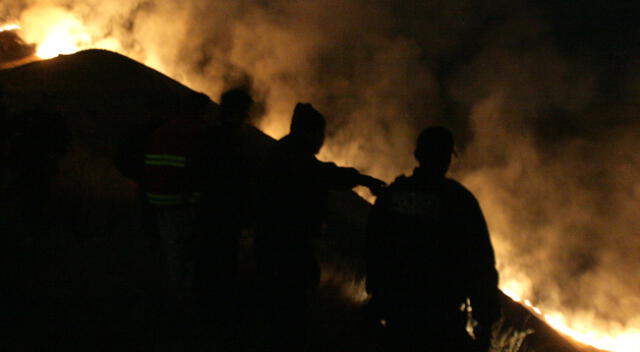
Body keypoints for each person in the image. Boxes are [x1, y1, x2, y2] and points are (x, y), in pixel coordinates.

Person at [256, 102, 386, 351]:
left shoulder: (284, 152)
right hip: (287, 247)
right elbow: (326, 174)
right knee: (289, 313)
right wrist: (363, 179)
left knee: (279, 310)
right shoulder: (293, 158)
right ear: (307, 132)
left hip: (277, 244)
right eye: (319, 134)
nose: (322, 140)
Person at [365, 126, 500, 352]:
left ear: (418, 155)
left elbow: (373, 247)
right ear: (447, 159)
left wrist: (377, 299)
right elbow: (480, 262)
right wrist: (485, 320)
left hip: (397, 318)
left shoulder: (394, 195)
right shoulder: (459, 201)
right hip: (441, 322)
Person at [144, 92, 213, 320]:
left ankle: (166, 299)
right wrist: (195, 201)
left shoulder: (162, 131)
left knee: (169, 250)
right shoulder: (196, 134)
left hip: (157, 200)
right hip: (182, 202)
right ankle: (181, 304)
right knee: (185, 255)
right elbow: (197, 171)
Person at [191, 88, 253, 333]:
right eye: (244, 112)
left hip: (214, 215)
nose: (246, 117)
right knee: (218, 268)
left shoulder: (212, 137)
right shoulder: (225, 141)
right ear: (234, 112)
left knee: (210, 267)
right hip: (220, 217)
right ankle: (212, 323)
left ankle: (205, 318)